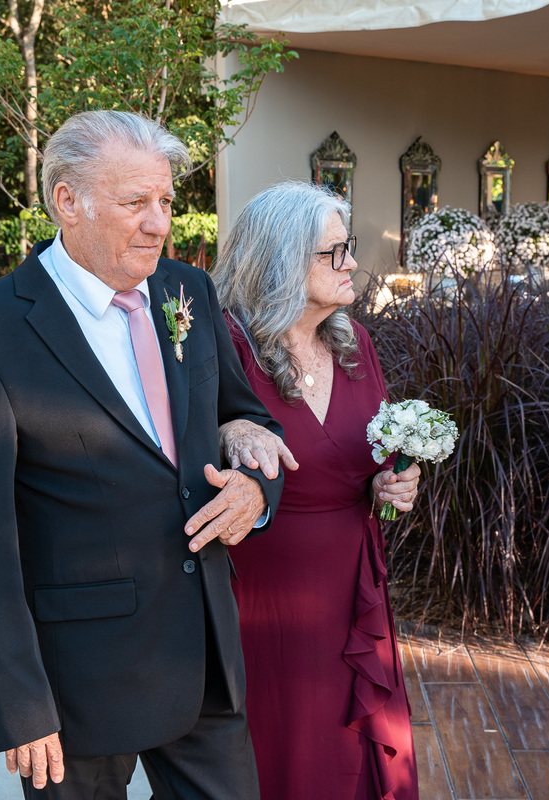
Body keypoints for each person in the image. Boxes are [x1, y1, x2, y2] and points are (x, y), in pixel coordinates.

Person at [0, 110, 289, 800]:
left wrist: (252, 488)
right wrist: (19, 705)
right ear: (68, 200)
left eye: (165, 202)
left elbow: (244, 418)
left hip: (203, 657)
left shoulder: (189, 292)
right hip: (77, 688)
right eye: (136, 203)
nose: (159, 223)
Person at [214, 181, 422, 800]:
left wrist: (398, 480)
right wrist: (228, 426)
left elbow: (376, 453)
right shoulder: (228, 344)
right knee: (282, 750)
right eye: (335, 251)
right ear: (282, 260)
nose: (353, 263)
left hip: (352, 582)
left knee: (352, 749)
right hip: (263, 594)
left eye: (348, 246)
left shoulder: (355, 344)